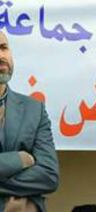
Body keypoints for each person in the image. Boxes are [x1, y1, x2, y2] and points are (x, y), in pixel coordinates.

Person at [0, 31, 59, 211]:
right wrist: (18, 160)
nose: (1, 56)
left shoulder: (34, 109)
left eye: (3, 48)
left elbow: (49, 176)